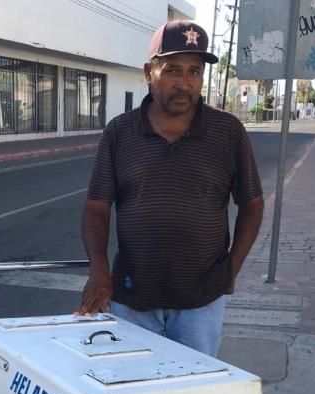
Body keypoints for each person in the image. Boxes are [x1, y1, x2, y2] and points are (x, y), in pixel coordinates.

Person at [75, 20, 264, 358]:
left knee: (193, 387)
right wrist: (100, 272)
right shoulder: (119, 133)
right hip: (131, 297)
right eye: (173, 70)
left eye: (194, 72)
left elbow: (251, 203)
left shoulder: (229, 132)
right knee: (131, 387)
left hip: (201, 300)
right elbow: (97, 206)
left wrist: (232, 267)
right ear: (150, 72)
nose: (184, 83)